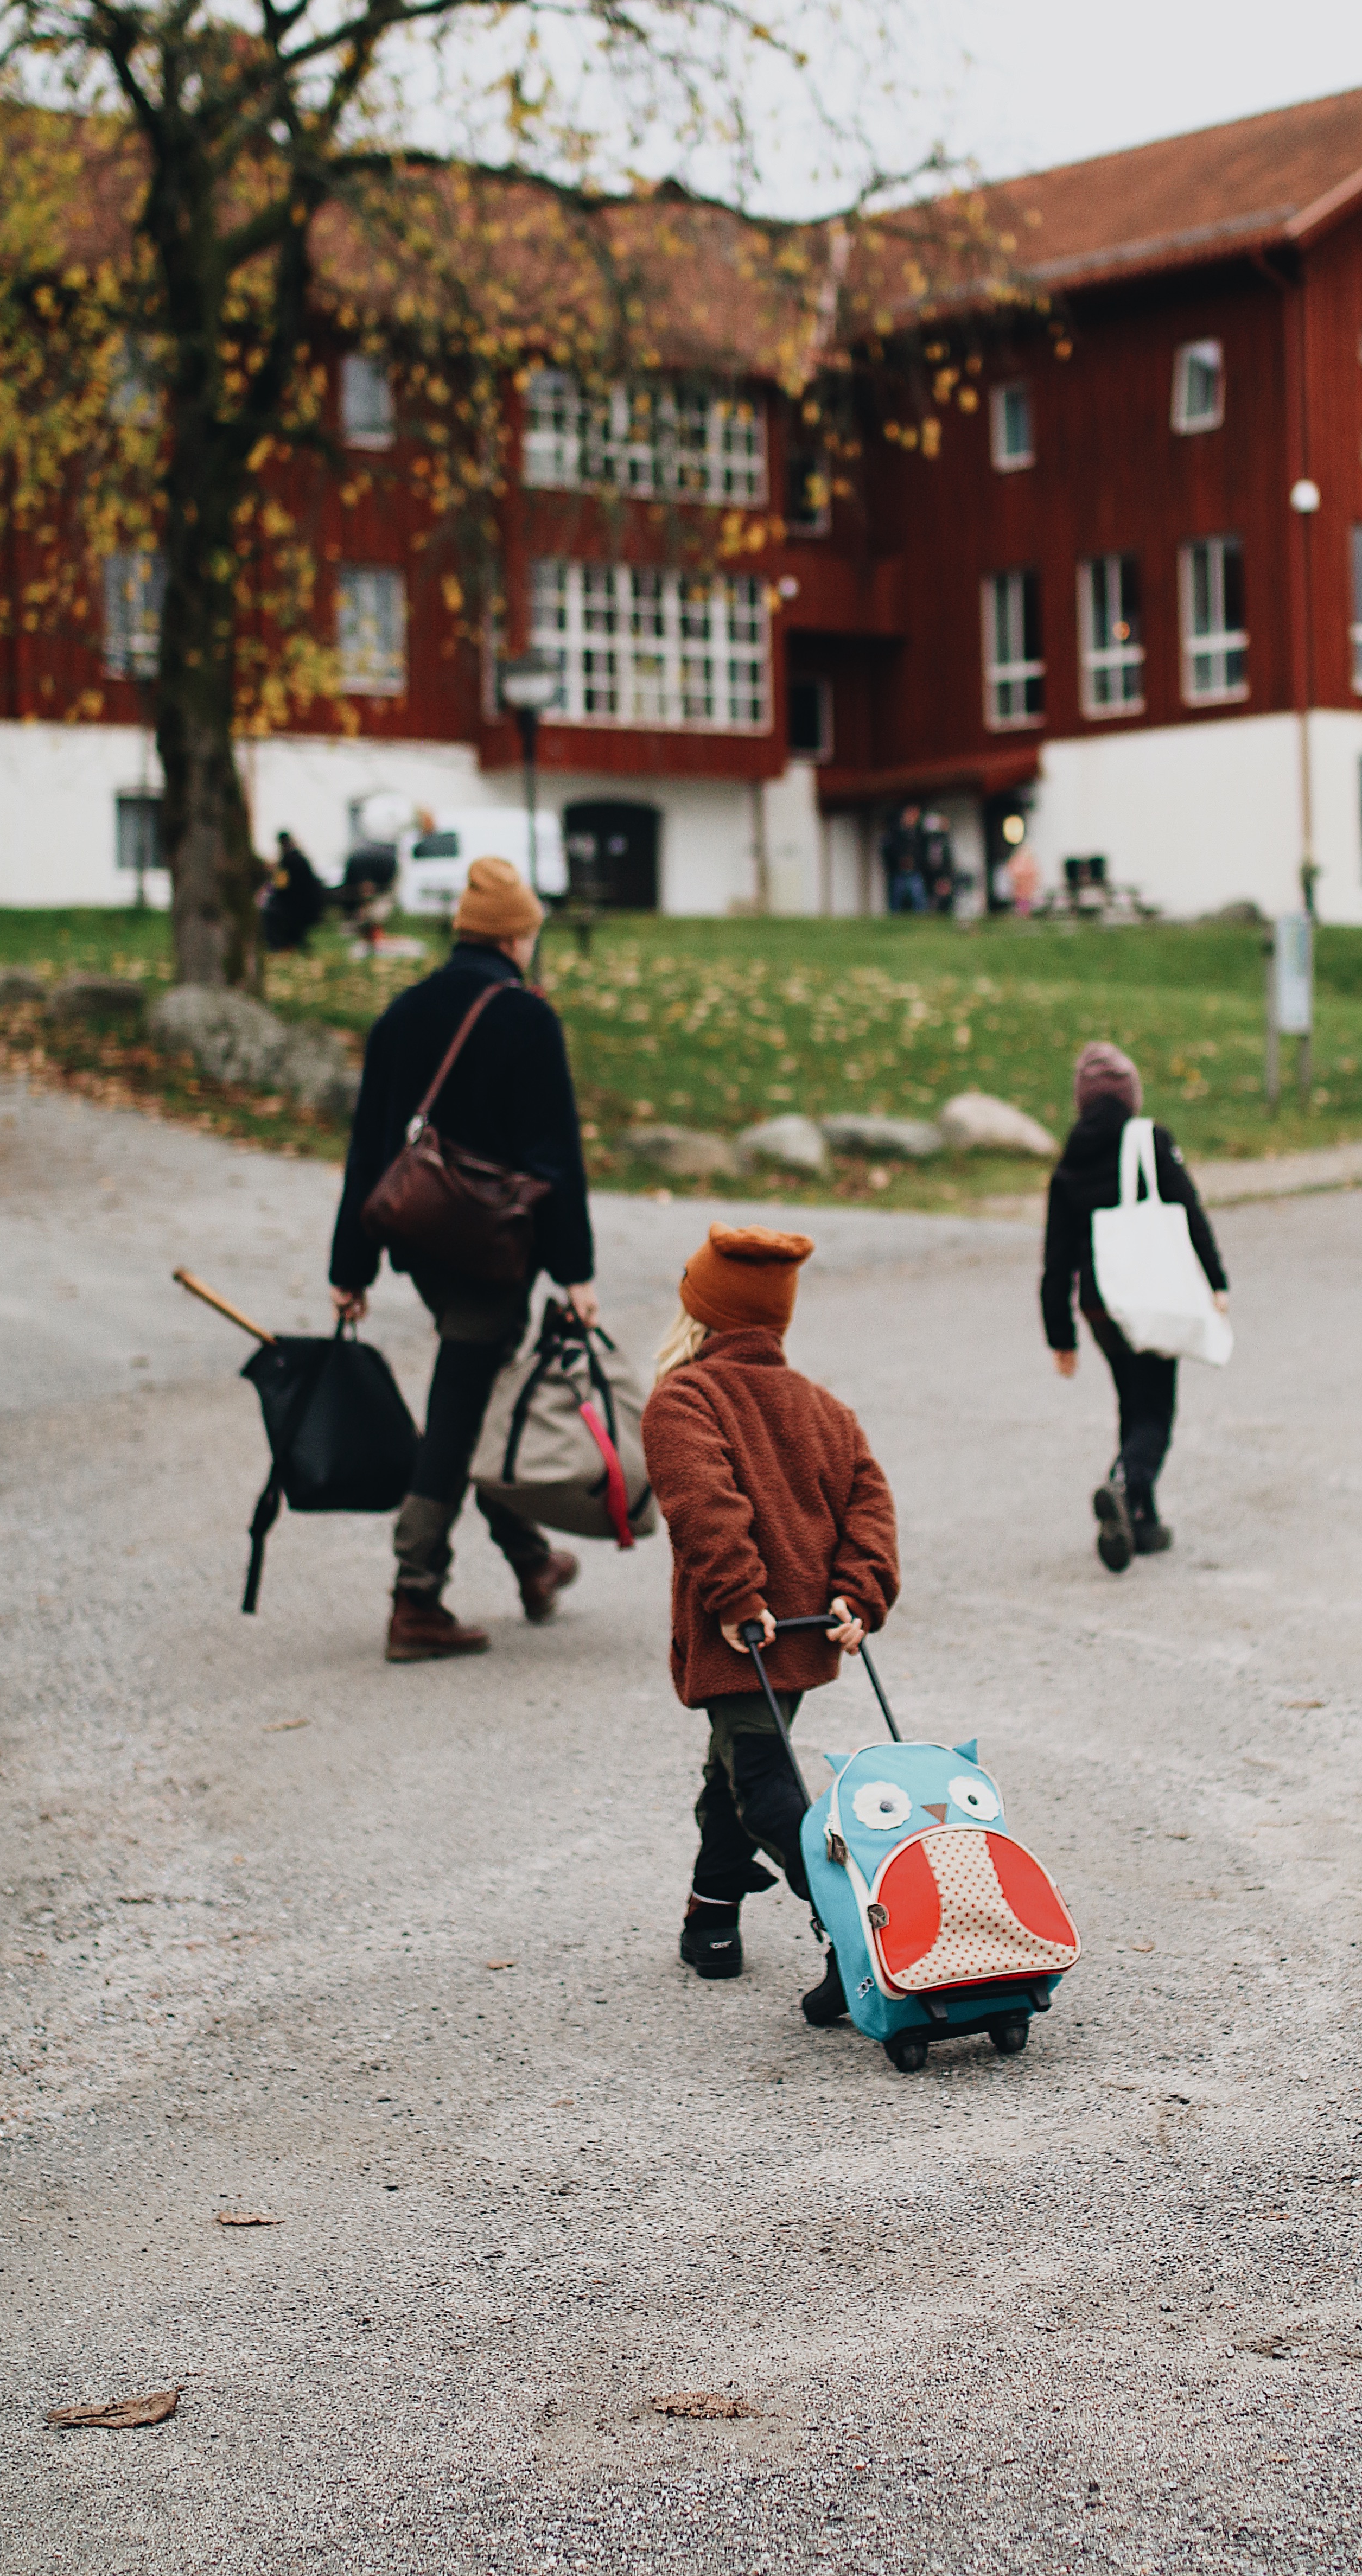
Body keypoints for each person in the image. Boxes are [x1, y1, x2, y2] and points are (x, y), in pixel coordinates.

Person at [328, 855, 593, 1661]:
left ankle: (531, 1561)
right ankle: (416, 1597)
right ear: (517, 935)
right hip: (491, 1251)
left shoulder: (402, 1014)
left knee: (474, 1392)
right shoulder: (525, 1018)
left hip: (421, 1243)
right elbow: (556, 1157)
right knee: (460, 1407)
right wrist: (574, 1271)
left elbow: (370, 1149)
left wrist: (353, 1267)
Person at [640, 1223, 900, 2016]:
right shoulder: (827, 1409)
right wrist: (858, 1592)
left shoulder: (683, 1399)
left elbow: (704, 1506)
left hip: (744, 1634)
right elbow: (870, 1506)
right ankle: (712, 1914)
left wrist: (736, 1597)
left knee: (763, 1783)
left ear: (702, 1314)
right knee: (736, 1762)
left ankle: (860, 1936)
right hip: (803, 1633)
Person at [1040, 1040, 1229, 1575]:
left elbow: (1055, 1260)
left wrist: (1061, 1336)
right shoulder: (1152, 1142)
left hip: (1100, 1307)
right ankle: (1125, 1484)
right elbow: (1190, 1214)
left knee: (1132, 1401)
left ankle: (1142, 1522)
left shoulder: (1069, 1162)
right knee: (1158, 1412)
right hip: (1150, 1297)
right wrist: (1217, 1280)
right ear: (1130, 1098)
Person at [261, 830, 325, 952]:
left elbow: (281, 887)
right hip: (308, 906)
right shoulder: (301, 859)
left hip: (295, 909)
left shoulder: (287, 862)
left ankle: (280, 946)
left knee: (269, 913)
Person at [880, 801, 929, 914]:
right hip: (899, 872)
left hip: (915, 871)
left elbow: (922, 852)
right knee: (896, 899)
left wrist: (915, 862)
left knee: (919, 898)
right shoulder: (895, 833)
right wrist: (900, 862)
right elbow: (890, 851)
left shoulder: (919, 834)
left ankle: (921, 919)